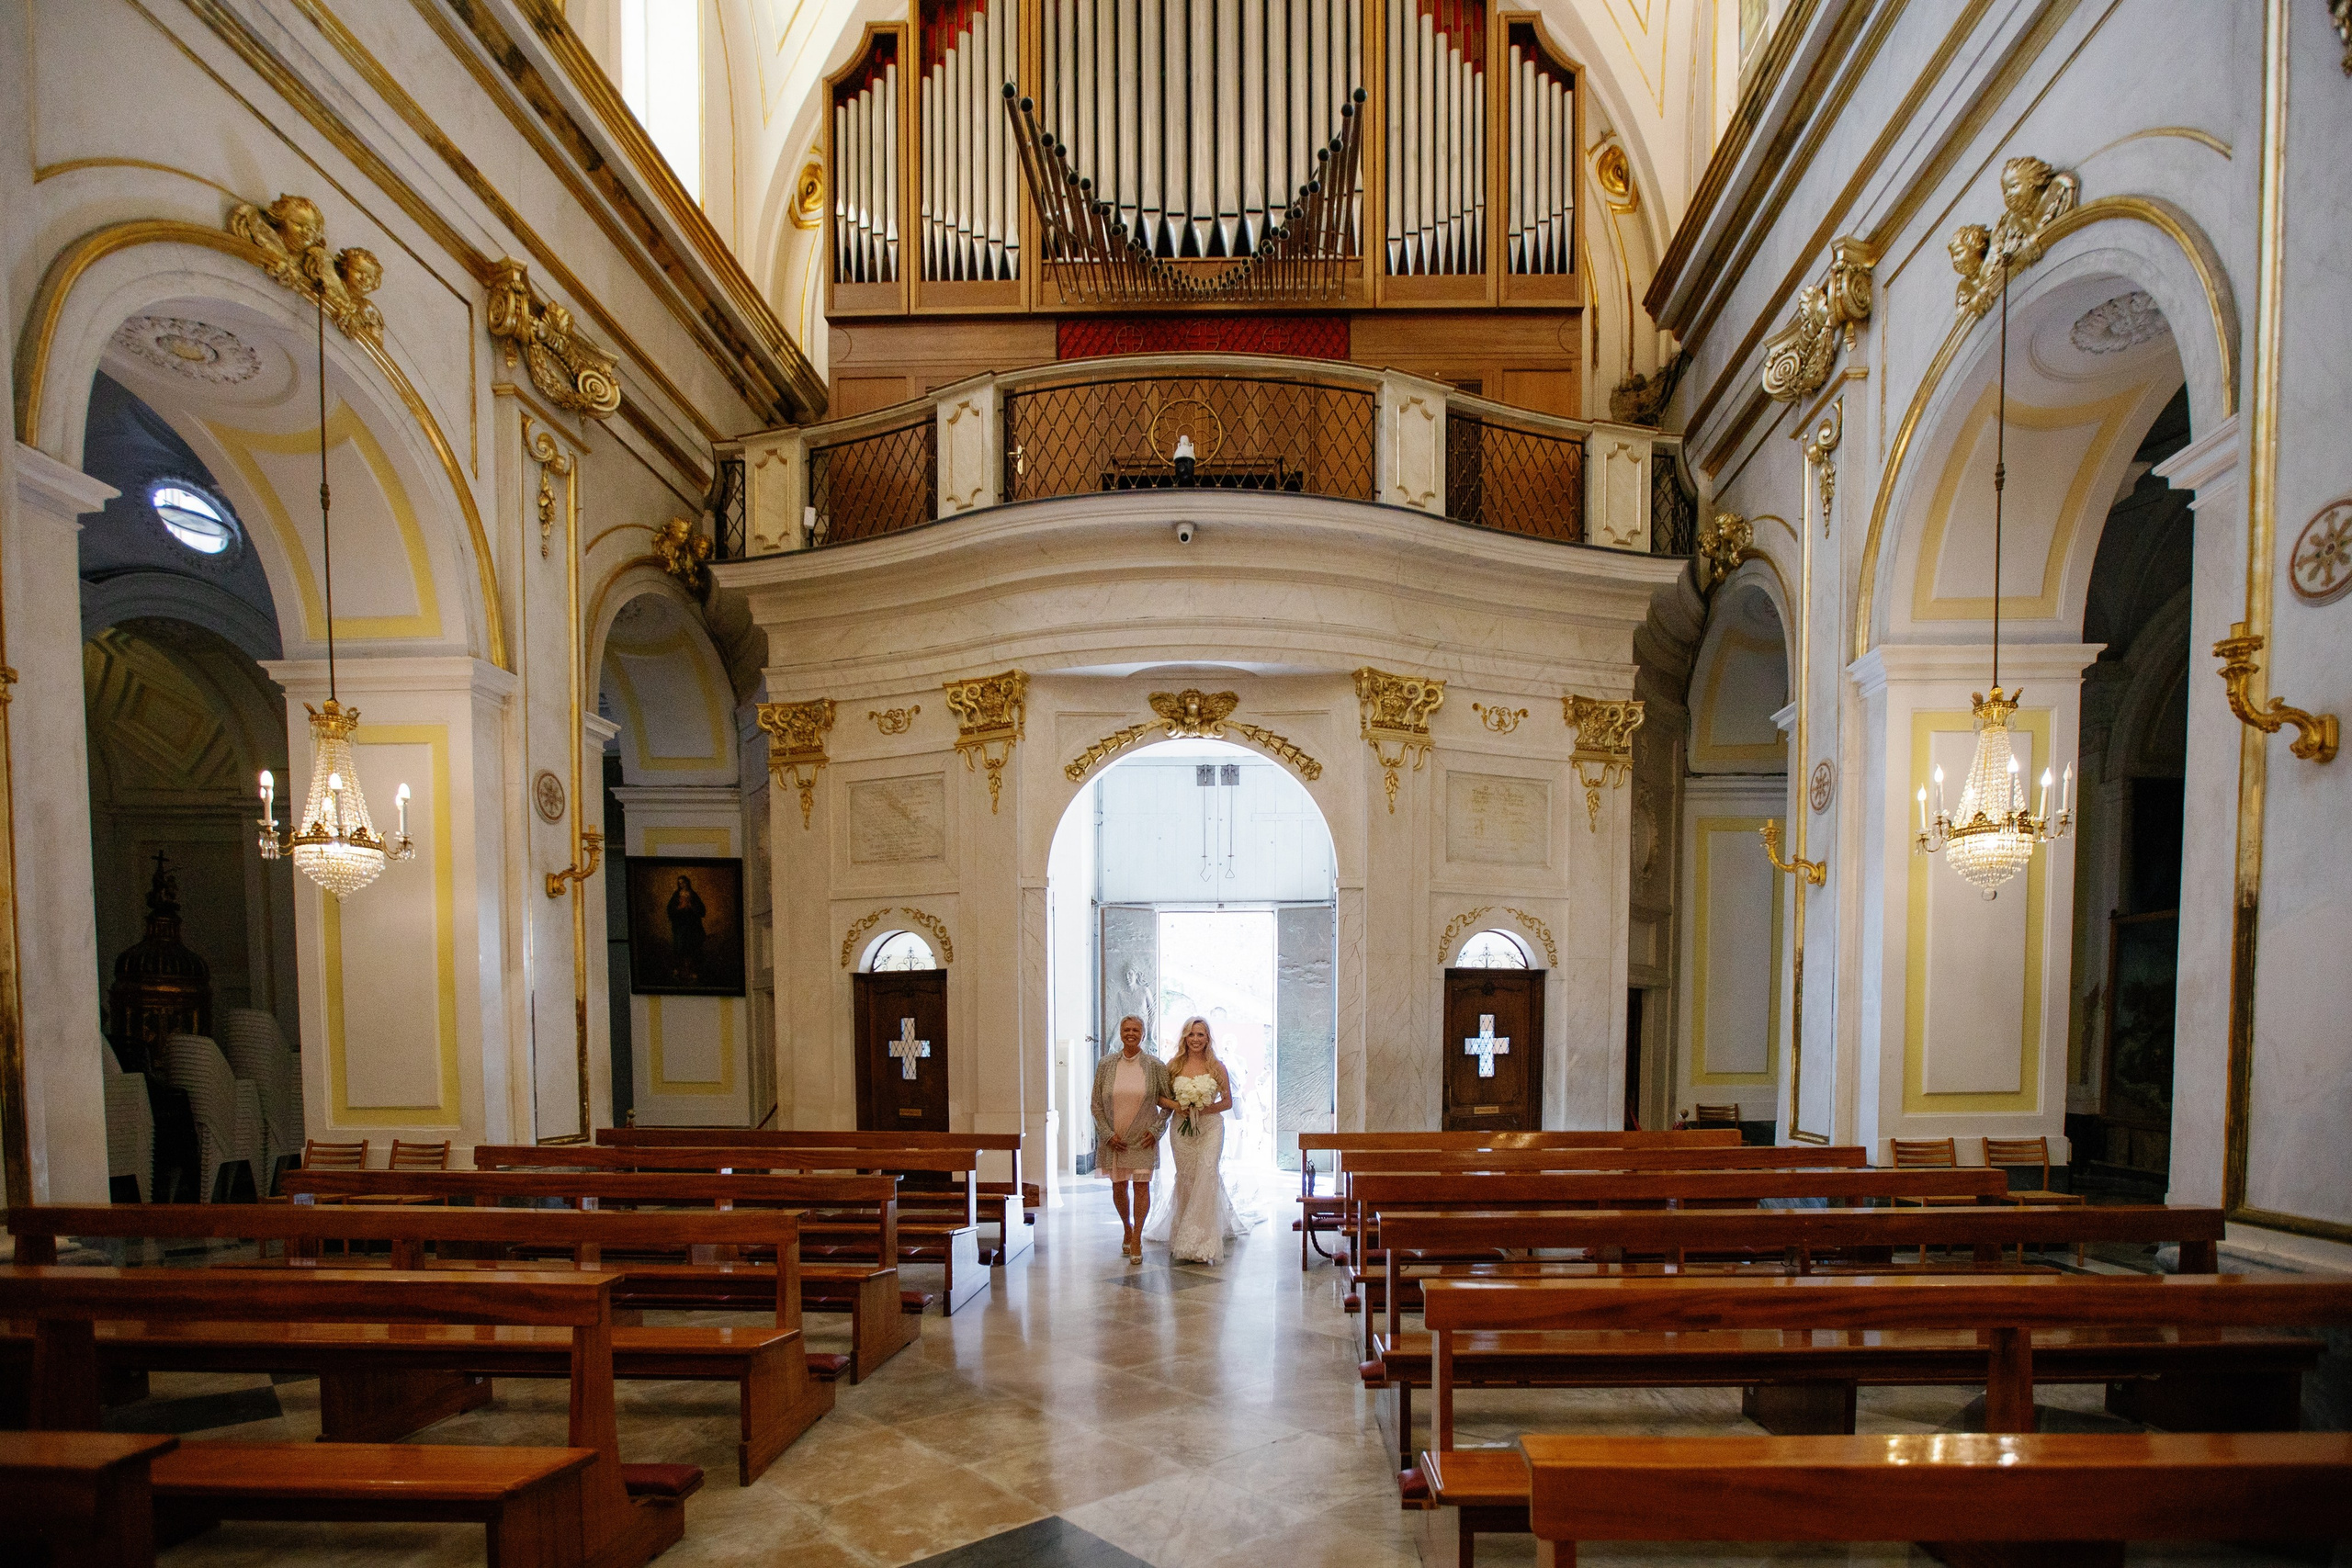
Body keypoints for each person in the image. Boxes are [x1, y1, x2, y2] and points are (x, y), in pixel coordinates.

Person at [1144, 1016, 1252, 1264]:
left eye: (1200, 1035)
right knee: (1187, 1176)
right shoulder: (1173, 1065)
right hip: (1181, 1128)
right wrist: (1179, 1106)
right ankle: (1183, 1230)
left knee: (1206, 1173)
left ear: (1208, 1038)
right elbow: (1160, 1097)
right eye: (1191, 1035)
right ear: (1185, 1037)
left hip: (1211, 1127)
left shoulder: (1217, 1065)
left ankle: (1202, 1240)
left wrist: (1202, 1110)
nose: (1195, 1039)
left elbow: (1227, 1102)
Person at [1091, 1015, 1170, 1262]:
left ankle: (1137, 1238)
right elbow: (1095, 1104)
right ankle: (1126, 1226)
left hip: (1143, 1138)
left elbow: (1168, 1103)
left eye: (1136, 1029)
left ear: (1143, 1035)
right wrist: (1107, 1134)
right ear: (1120, 1033)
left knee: (1141, 1186)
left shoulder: (1155, 1066)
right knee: (1119, 1186)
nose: (1131, 1033)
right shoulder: (1106, 1064)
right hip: (1115, 1138)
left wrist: (1156, 1131)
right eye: (1126, 1029)